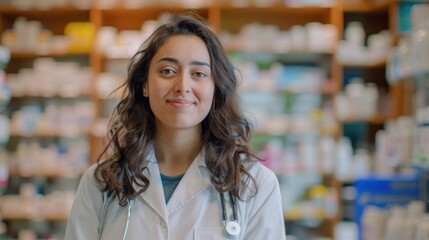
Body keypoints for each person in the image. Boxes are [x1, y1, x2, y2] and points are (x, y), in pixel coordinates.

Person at [65, 12, 286, 240]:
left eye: (199, 73)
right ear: (145, 85)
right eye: (167, 71)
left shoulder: (256, 185)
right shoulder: (100, 183)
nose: (182, 85)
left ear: (215, 88)